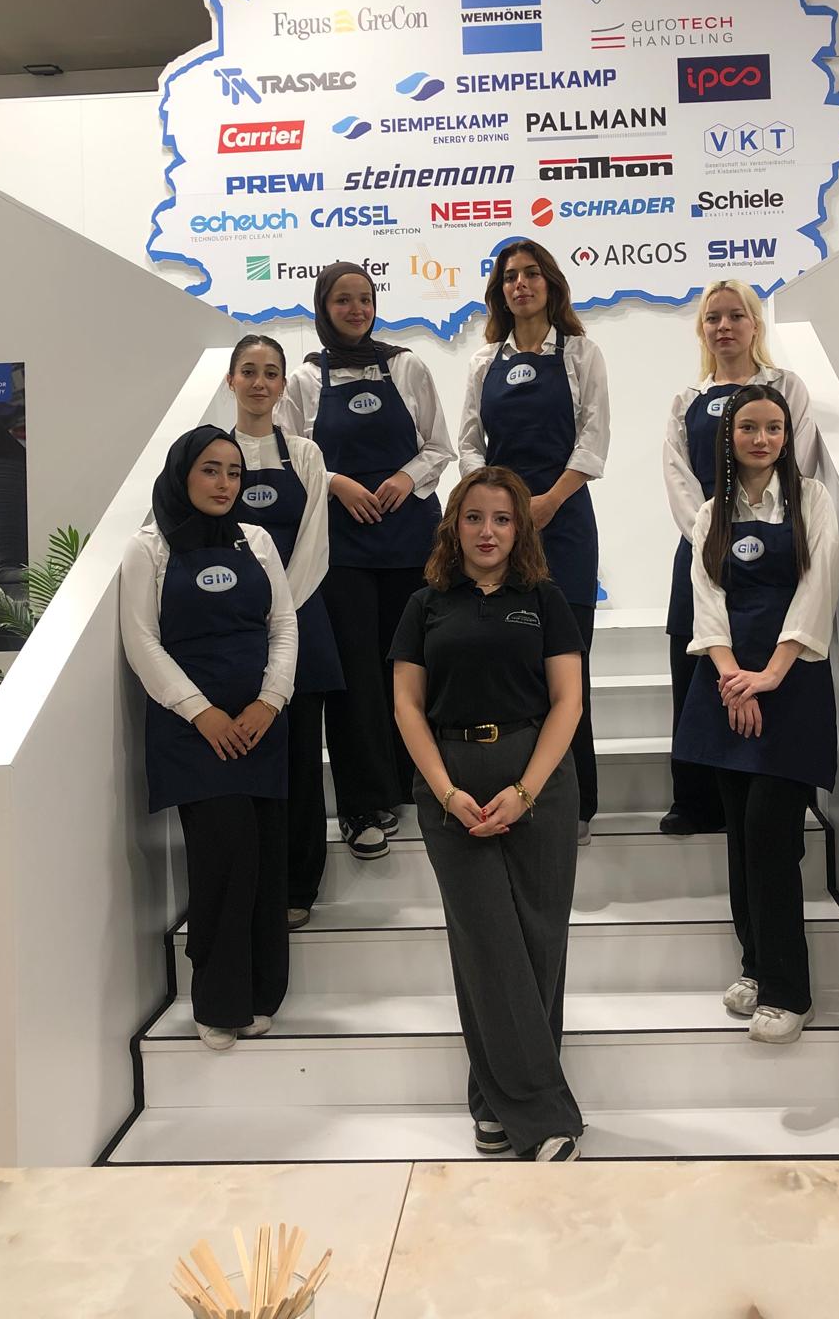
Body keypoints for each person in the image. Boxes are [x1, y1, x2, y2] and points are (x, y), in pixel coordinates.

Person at [391, 466, 586, 1161]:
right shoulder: (425, 605)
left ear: (519, 529)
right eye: (474, 517)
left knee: (538, 944)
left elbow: (568, 701)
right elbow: (406, 706)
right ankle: (543, 1118)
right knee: (488, 944)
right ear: (454, 525)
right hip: (452, 788)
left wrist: (526, 791)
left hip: (538, 783)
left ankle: (492, 1104)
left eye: (502, 519)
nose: (487, 531)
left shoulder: (545, 600)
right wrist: (446, 792)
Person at [120, 426, 298, 1051]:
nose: (225, 484)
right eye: (210, 470)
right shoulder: (147, 548)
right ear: (182, 474)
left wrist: (270, 700)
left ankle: (261, 994)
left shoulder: (258, 541)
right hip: (193, 733)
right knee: (224, 857)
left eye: (234, 472)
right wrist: (202, 713)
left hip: (260, 724)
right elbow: (142, 642)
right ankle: (218, 1003)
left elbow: (283, 624)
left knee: (266, 860)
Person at [673, 384, 839, 1045]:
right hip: (725, 689)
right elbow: (706, 602)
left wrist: (768, 676)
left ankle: (789, 991)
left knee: (772, 836)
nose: (761, 438)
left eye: (773, 427)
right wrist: (731, 679)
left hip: (791, 686)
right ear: (729, 436)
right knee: (741, 838)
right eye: (749, 427)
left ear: (786, 435)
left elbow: (817, 590)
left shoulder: (813, 500)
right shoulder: (710, 513)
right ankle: (755, 964)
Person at [282, 261, 456, 860]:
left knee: (413, 668)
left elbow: (439, 446)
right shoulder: (305, 380)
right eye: (343, 300)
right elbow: (289, 455)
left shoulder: (407, 367)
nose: (356, 310)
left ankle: (422, 788)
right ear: (323, 307)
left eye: (365, 299)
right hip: (341, 552)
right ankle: (363, 805)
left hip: (411, 545)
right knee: (354, 679)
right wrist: (335, 483)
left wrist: (407, 477)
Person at [458, 238, 609, 846]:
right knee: (512, 665)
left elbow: (594, 438)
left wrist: (546, 503)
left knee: (568, 669)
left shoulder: (581, 354)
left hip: (563, 521)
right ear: (499, 291)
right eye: (509, 276)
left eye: (530, 274)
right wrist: (498, 510)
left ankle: (576, 805)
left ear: (550, 283)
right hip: (500, 530)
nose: (520, 284)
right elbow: (470, 444)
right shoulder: (482, 362)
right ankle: (511, 794)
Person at [660, 280, 816, 837]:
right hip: (705, 547)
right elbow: (678, 475)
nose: (723, 327)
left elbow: (801, 464)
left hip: (773, 547)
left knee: (768, 667)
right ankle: (694, 800)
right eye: (712, 318)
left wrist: (763, 525)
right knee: (695, 670)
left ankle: (765, 795)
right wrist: (713, 534)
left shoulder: (785, 387)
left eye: (735, 316)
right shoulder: (687, 400)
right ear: (701, 330)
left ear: (755, 324)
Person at [227, 333, 343, 930]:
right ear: (230, 380)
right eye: (248, 371)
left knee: (299, 764)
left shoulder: (304, 454)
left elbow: (316, 545)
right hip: (232, 632)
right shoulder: (212, 454)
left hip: (299, 624)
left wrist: (277, 617)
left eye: (270, 372)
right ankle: (249, 884)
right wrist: (245, 621)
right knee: (243, 766)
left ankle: (299, 885)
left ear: (282, 385)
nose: (260, 382)